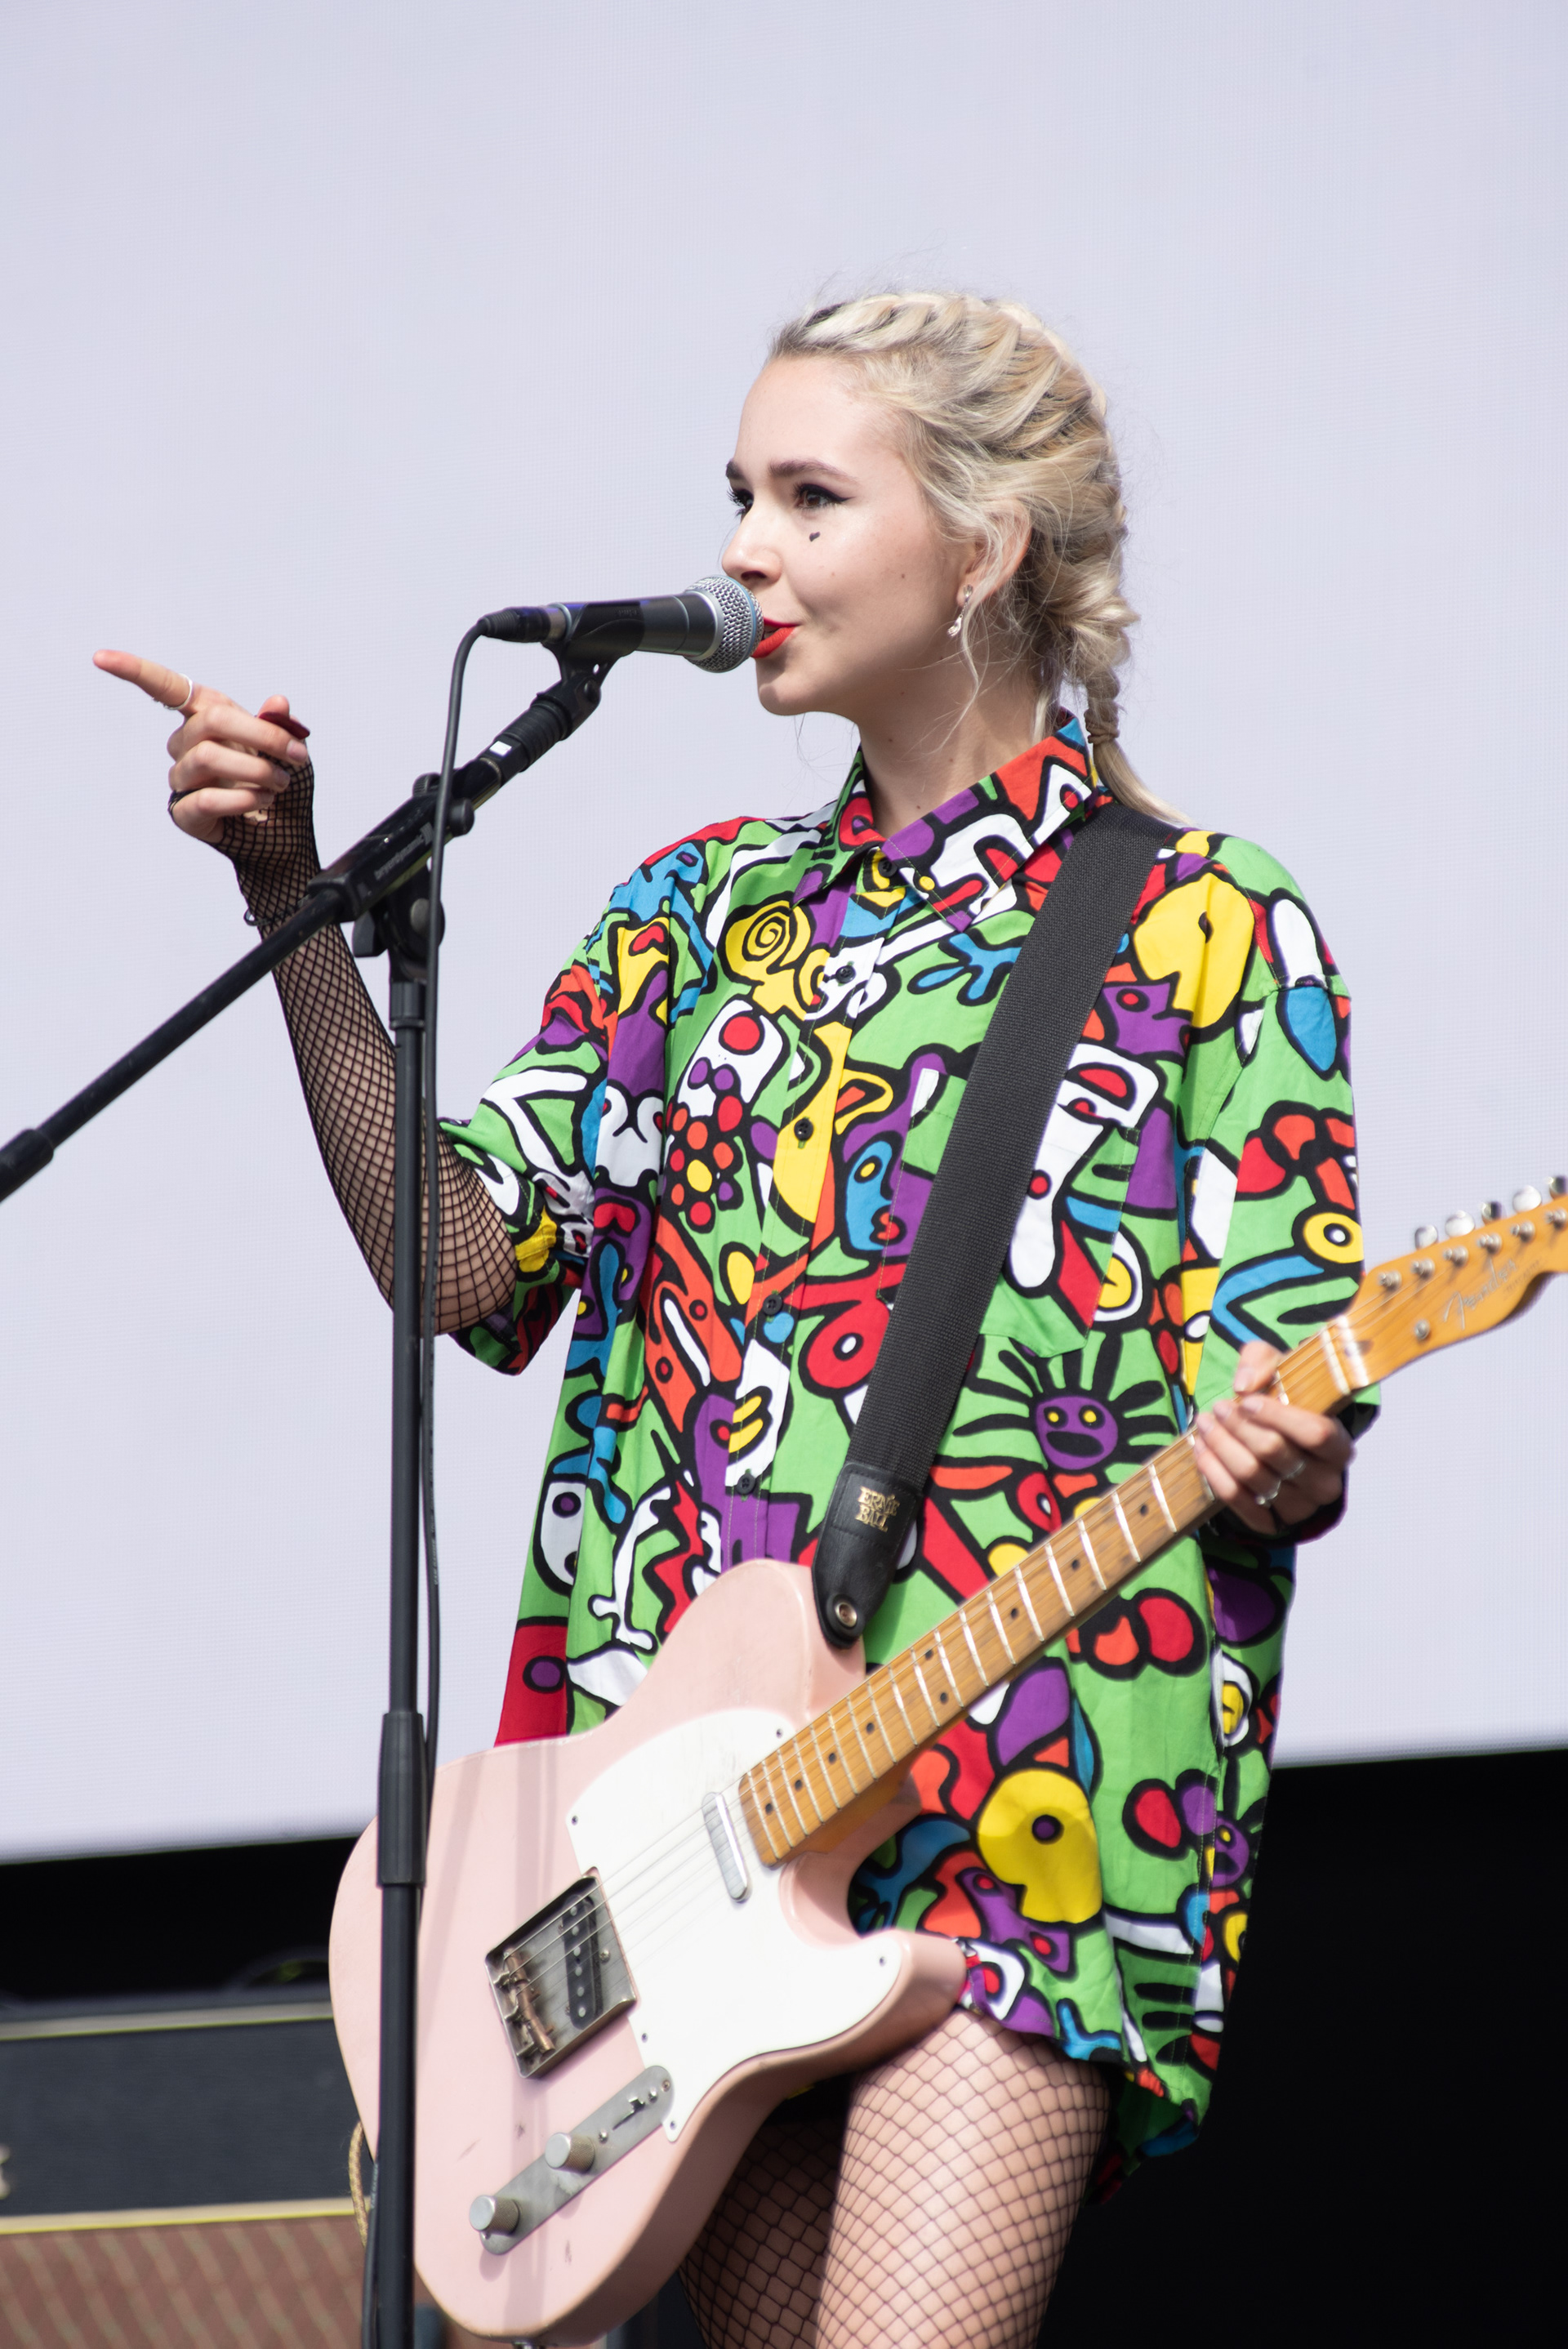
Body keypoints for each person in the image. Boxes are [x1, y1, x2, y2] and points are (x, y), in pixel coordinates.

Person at [98, 292, 1362, 2349]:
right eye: (737, 497)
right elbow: (461, 1268)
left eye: (808, 495)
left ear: (985, 544)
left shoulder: (1209, 925)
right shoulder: (695, 920)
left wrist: (1288, 1458)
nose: (746, 550)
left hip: (1023, 1800)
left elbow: (1278, 1398)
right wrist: (294, 907)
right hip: (692, 1822)